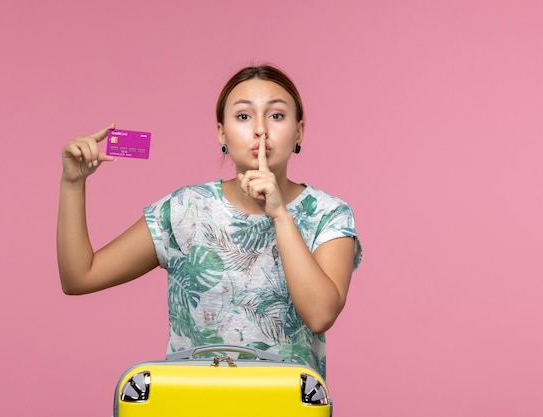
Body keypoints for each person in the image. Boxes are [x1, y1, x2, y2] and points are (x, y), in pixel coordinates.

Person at [57, 64, 362, 377]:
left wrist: (280, 214)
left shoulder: (328, 213)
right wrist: (72, 183)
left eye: (276, 115)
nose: (260, 129)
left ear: (299, 130)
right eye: (243, 116)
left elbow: (320, 315)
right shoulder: (186, 209)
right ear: (222, 132)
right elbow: (80, 277)